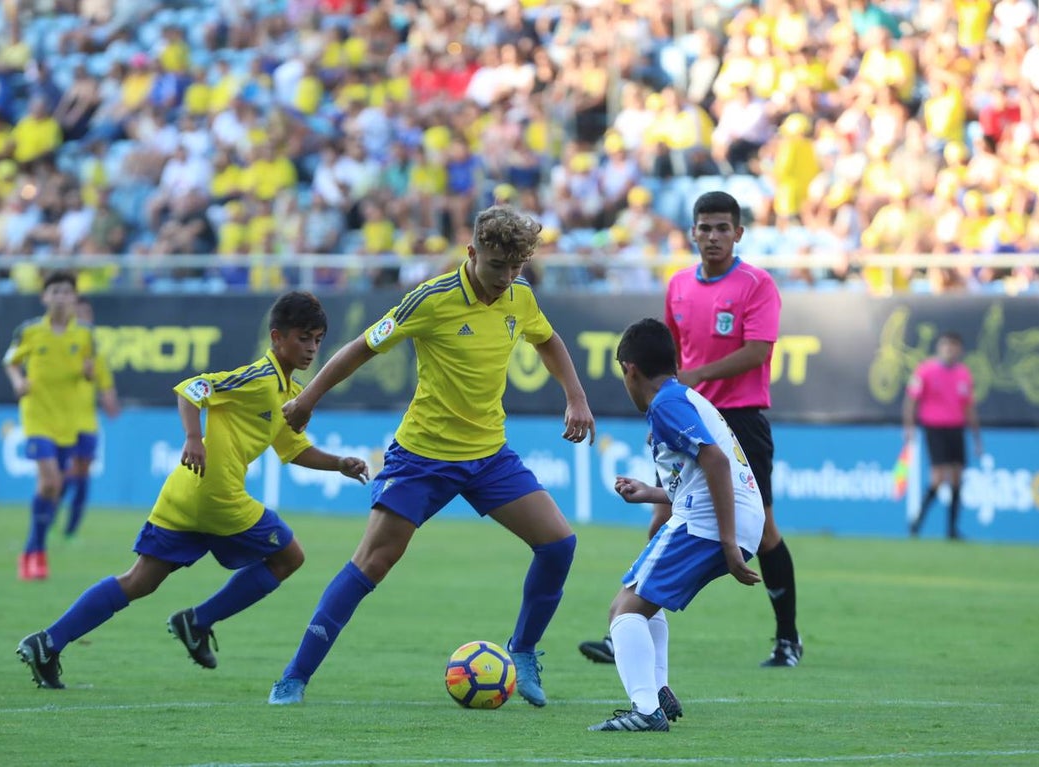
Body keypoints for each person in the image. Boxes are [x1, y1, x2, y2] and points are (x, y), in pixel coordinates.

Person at [269, 205, 596, 708]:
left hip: (488, 455)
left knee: (558, 544)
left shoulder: (520, 297)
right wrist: (308, 398)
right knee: (371, 563)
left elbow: (548, 341)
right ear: (471, 254)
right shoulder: (432, 299)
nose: (505, 279)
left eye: (516, 268)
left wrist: (575, 396)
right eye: (496, 267)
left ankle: (524, 650)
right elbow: (361, 346)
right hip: (422, 458)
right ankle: (293, 677)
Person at [16, 292, 370, 690]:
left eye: (318, 339)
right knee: (288, 556)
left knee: (139, 581)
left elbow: (293, 449)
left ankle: (48, 641)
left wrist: (338, 463)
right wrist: (193, 437)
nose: (311, 348)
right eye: (303, 338)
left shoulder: (291, 393)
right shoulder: (258, 378)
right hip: (217, 497)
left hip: (184, 494)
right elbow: (191, 389)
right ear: (276, 338)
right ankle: (198, 621)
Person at [579, 190, 803, 668]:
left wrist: (695, 380)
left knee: (762, 532)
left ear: (738, 234)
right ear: (692, 232)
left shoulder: (757, 284)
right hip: (683, 420)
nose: (714, 236)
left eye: (723, 228)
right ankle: (628, 627)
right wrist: (664, 416)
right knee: (662, 517)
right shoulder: (678, 285)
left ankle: (787, 638)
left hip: (738, 418)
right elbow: (668, 355)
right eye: (705, 227)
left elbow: (759, 351)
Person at [589, 318, 764, 732]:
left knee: (622, 612)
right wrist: (649, 493)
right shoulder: (682, 398)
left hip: (711, 523)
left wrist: (727, 544)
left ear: (630, 369)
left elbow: (716, 463)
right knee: (642, 600)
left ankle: (646, 710)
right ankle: (658, 692)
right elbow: (701, 478)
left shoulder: (666, 406)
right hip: (723, 517)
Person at [3, 272, 101, 581]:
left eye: (66, 292)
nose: (60, 297)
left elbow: (91, 368)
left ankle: (34, 548)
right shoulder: (30, 331)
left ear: (74, 298)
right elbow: (10, 361)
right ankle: (35, 550)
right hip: (37, 416)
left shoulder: (85, 334)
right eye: (54, 291)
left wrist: (88, 373)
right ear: (45, 297)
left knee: (54, 486)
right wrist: (19, 381)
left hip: (68, 419)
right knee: (50, 480)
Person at [902, 331, 981, 540]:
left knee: (957, 478)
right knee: (938, 478)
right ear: (939, 347)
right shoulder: (925, 371)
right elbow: (911, 400)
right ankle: (916, 523)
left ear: (960, 350)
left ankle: (952, 530)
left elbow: (969, 408)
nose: (949, 349)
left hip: (956, 429)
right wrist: (909, 427)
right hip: (934, 428)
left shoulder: (964, 374)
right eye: (945, 345)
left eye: (953, 346)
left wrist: (976, 438)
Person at [60, 296, 120, 540]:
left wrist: (109, 400)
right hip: (62, 421)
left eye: (88, 315)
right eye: (80, 315)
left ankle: (71, 529)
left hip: (87, 422)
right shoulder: (64, 349)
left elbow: (106, 387)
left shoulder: (96, 356)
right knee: (64, 474)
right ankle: (50, 516)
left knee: (82, 473)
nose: (85, 320)